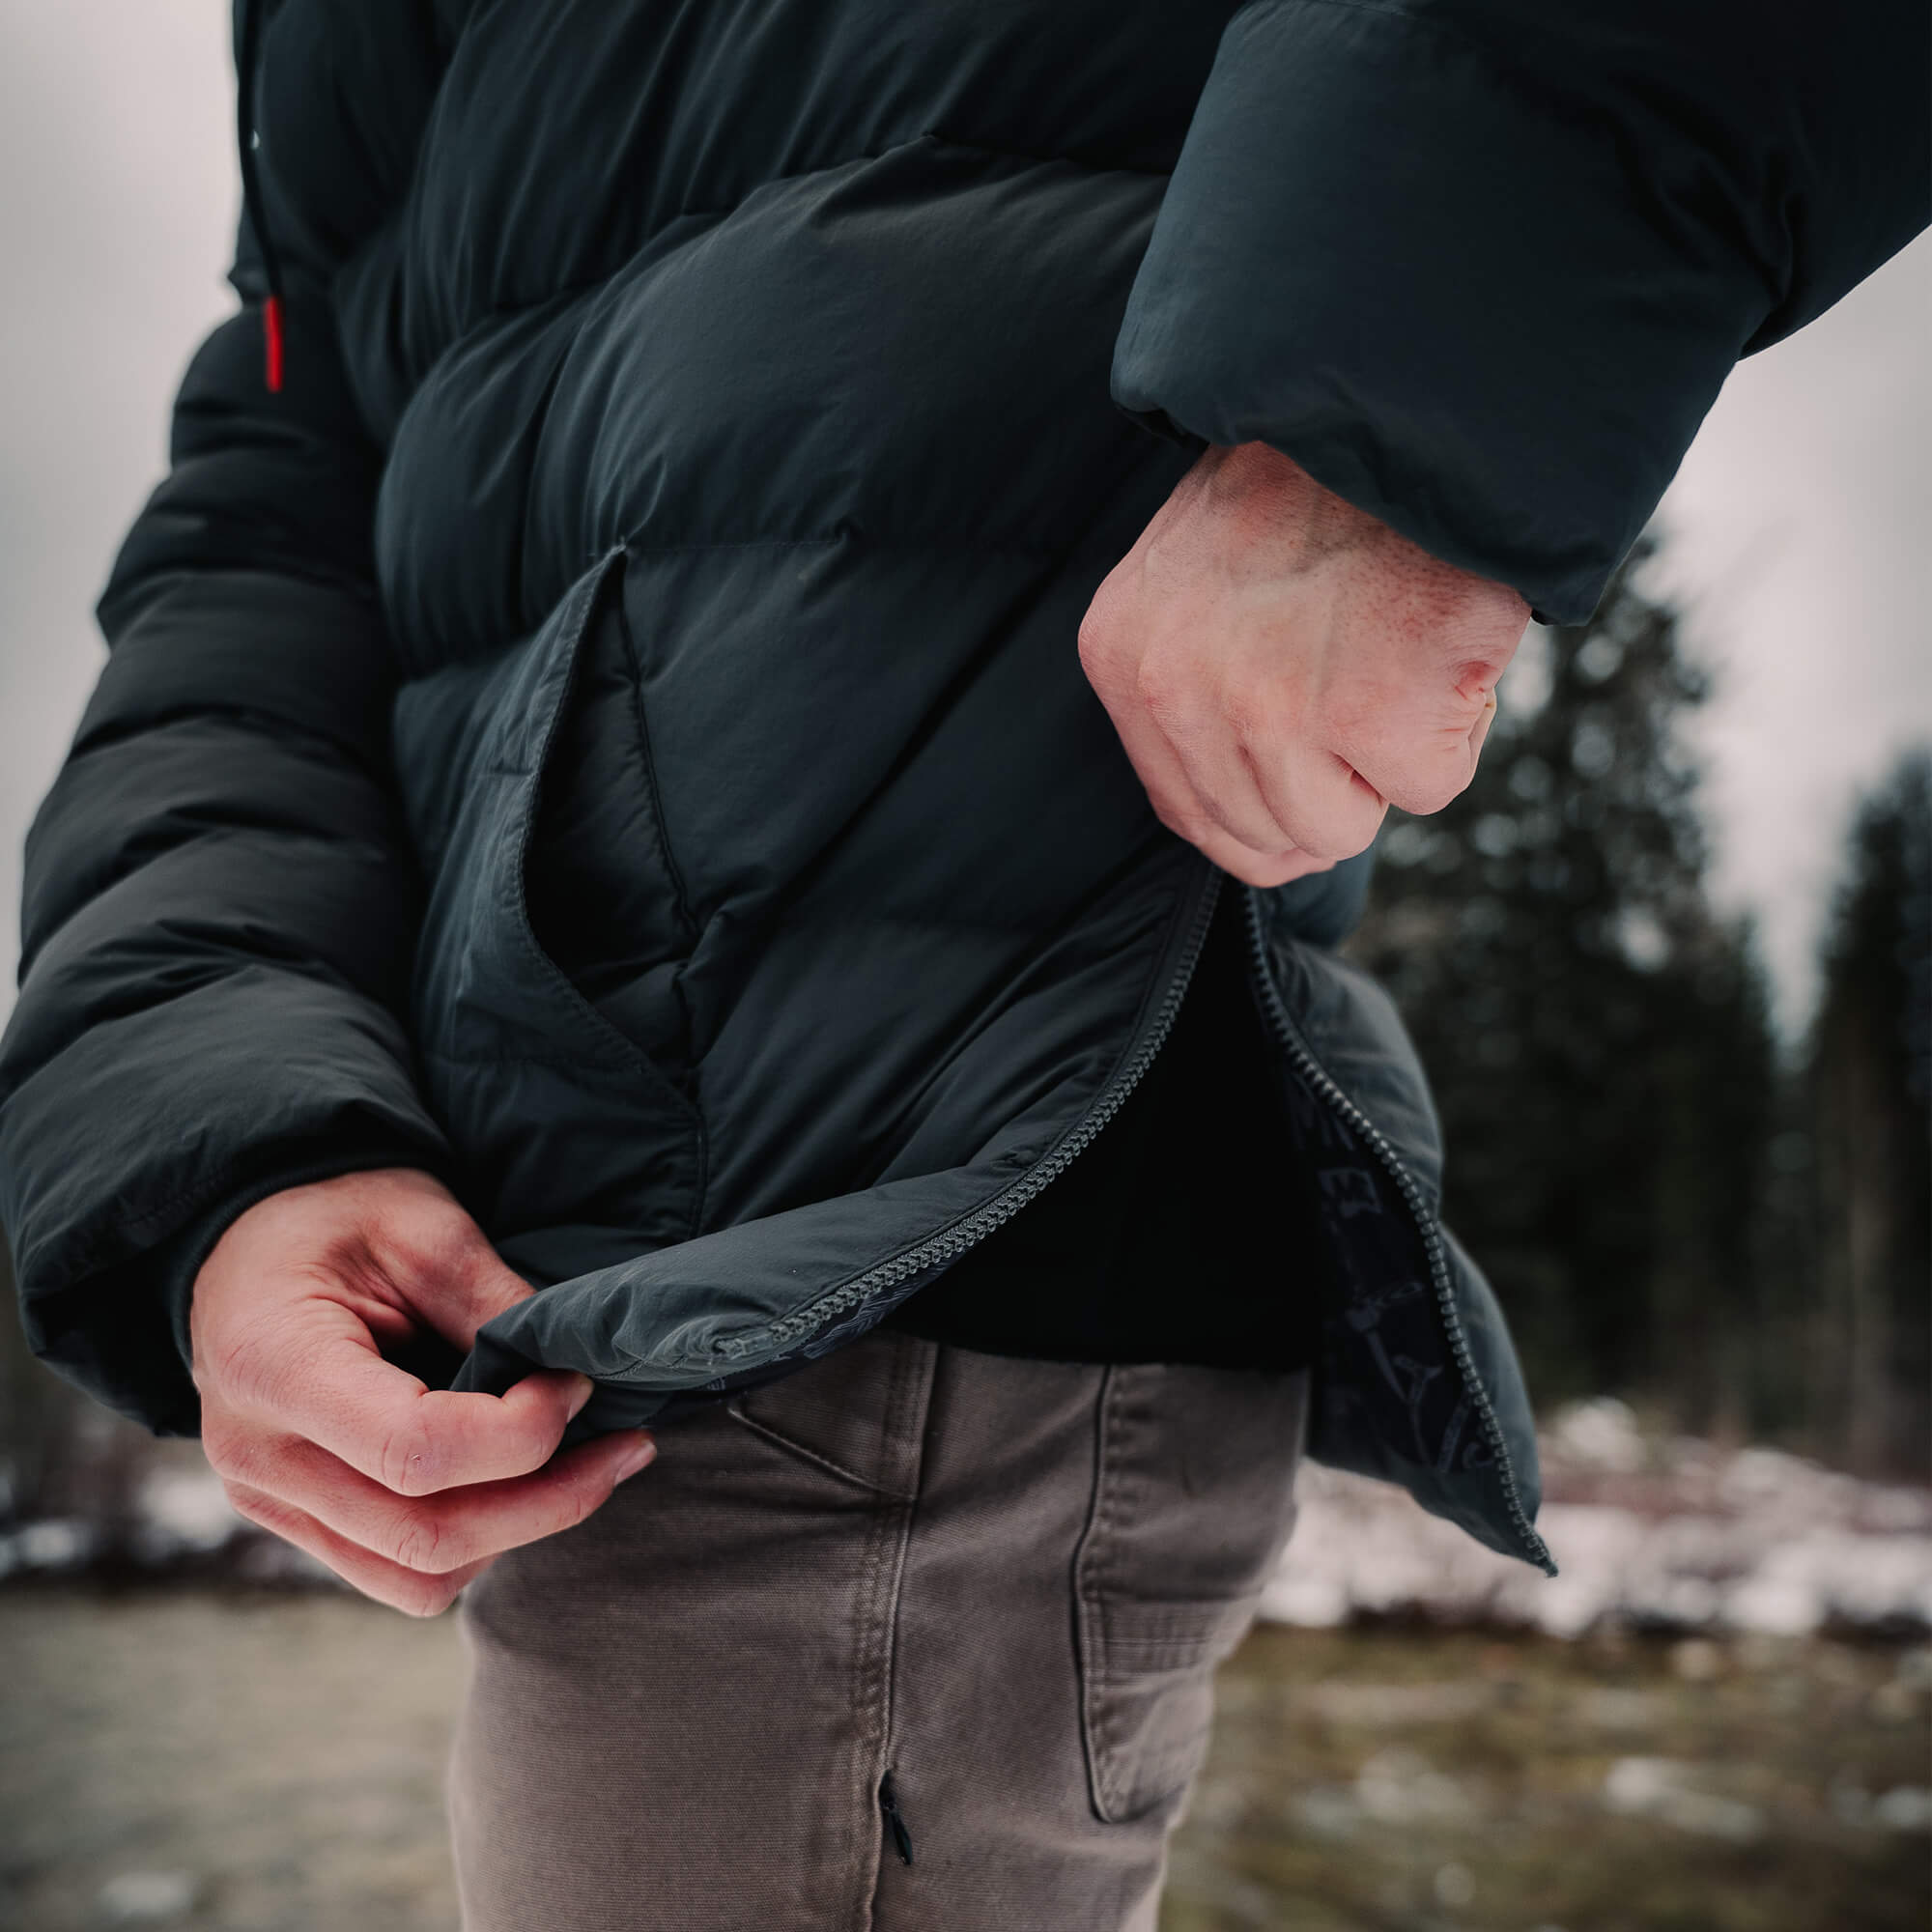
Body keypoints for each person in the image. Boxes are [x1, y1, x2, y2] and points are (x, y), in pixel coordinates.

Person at [3, 1, 1923, 1924]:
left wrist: (1399, 382)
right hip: (583, 1273)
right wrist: (246, 1138)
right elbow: (274, 497)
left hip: (916, 1225)